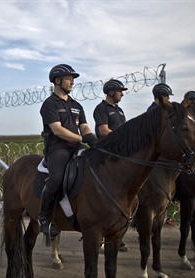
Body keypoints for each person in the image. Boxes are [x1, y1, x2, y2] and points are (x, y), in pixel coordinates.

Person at [38, 64, 97, 238]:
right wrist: (81, 138)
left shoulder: (76, 105)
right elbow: (57, 130)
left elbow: (84, 126)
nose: (72, 81)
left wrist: (91, 138)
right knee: (56, 178)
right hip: (58, 149)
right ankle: (43, 219)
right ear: (57, 80)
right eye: (69, 78)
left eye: (73, 78)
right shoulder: (49, 104)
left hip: (76, 147)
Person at [93, 78, 130, 252]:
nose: (122, 93)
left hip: (120, 151)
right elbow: (104, 130)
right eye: (119, 91)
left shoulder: (120, 110)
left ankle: (118, 232)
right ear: (110, 92)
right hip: (107, 152)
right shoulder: (101, 109)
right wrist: (124, 140)